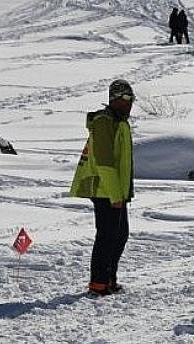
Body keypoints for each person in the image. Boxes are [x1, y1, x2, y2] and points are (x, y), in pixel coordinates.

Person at [70, 80, 136, 296]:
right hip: (105, 190)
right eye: (124, 99)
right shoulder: (104, 121)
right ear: (113, 99)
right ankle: (99, 283)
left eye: (131, 99)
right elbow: (104, 161)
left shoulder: (120, 122)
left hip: (117, 190)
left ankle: (109, 279)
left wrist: (124, 192)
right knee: (108, 236)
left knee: (120, 235)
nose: (128, 104)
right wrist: (115, 194)